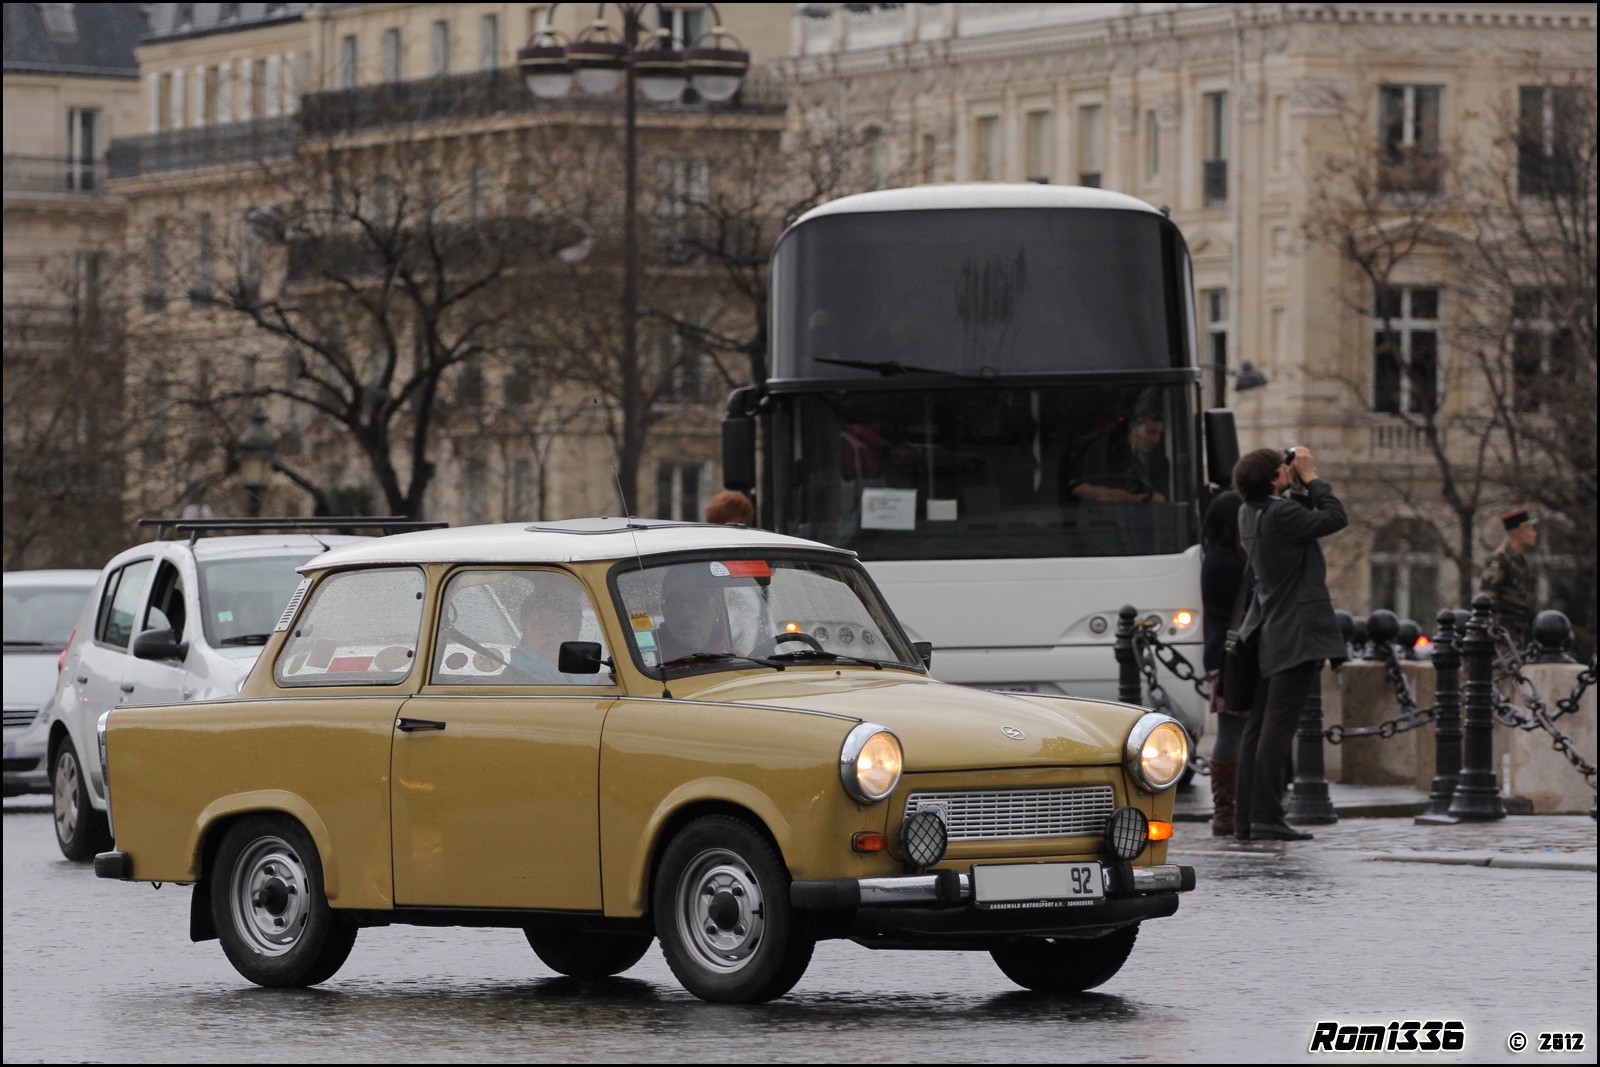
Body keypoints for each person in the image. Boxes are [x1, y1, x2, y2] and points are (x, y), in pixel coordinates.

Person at [1232, 445, 1347, 842]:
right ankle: (1266, 816)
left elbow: (1297, 519)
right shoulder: (1281, 514)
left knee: (1258, 729)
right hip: (1295, 633)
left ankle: (1247, 818)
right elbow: (1335, 517)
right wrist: (1311, 477)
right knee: (1276, 732)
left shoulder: (1249, 512)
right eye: (1283, 468)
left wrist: (1293, 484)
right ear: (1273, 478)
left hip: (1268, 630)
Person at [1200, 489, 1248, 836]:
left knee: (1234, 730)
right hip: (1233, 656)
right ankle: (1227, 810)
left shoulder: (1215, 558)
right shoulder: (1228, 564)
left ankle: (1228, 809)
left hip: (1223, 653)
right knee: (1232, 731)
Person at [1067, 396, 1170, 503]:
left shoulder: (1159, 460)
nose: (1156, 439)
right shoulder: (1103, 449)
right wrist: (1103, 493)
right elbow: (1076, 487)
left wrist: (1128, 498)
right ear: (1133, 424)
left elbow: (1160, 498)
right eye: (1151, 432)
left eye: (1160, 433)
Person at [506, 580, 588, 684]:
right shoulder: (510, 683)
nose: (548, 631)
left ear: (574, 633)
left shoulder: (598, 682)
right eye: (538, 622)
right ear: (524, 632)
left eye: (558, 622)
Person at [1479, 507, 1538, 649]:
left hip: (1521, 628)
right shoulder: (1500, 560)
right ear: (1519, 533)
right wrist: (1495, 629)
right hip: (1505, 631)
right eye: (1530, 530)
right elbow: (1488, 596)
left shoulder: (1521, 561)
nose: (1534, 534)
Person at [656, 565, 732, 664]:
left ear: (717, 610)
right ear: (664, 610)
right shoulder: (646, 665)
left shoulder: (739, 661)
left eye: (698, 600)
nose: (686, 612)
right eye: (675, 601)